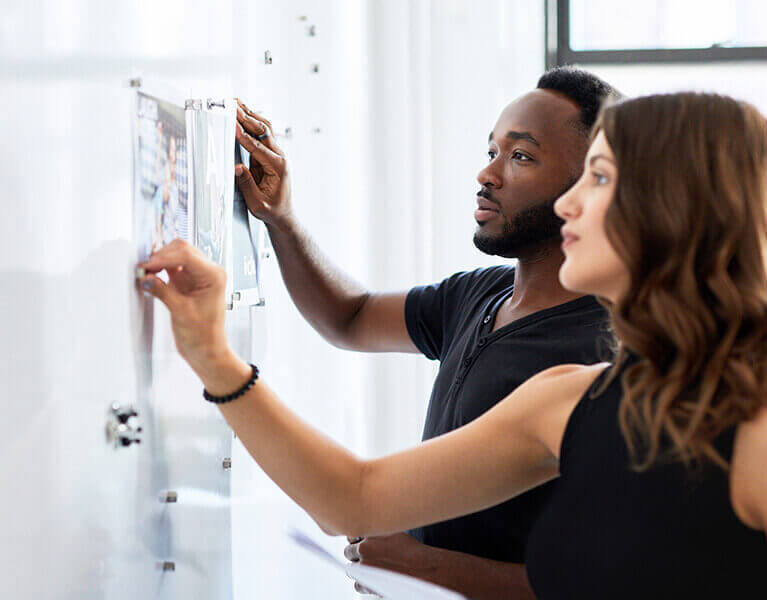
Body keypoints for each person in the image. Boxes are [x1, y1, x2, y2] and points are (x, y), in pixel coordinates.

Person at [139, 91, 767, 599]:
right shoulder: (567, 400)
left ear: (673, 206)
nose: (571, 205)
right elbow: (353, 497)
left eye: (597, 179)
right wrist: (215, 359)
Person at [230, 67, 617, 598]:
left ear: (589, 187)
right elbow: (350, 317)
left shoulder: (602, 356)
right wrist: (282, 220)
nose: (488, 174)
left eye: (521, 156)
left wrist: (430, 569)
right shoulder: (480, 294)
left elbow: (612, 582)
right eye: (492, 151)